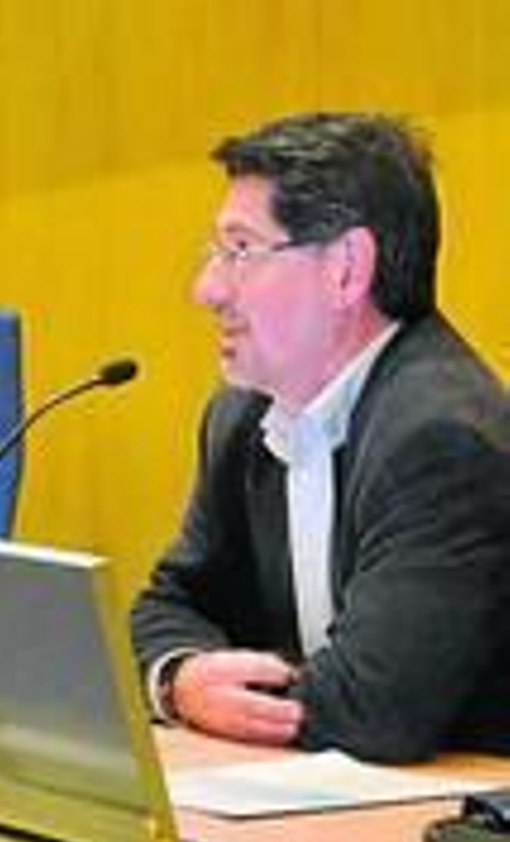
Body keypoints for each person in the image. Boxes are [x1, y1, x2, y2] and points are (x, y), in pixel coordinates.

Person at [131, 112, 510, 763]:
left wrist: (226, 697)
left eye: (240, 251)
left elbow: (376, 709)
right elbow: (171, 602)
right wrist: (180, 677)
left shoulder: (443, 439)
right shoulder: (243, 419)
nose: (207, 289)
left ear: (345, 270)